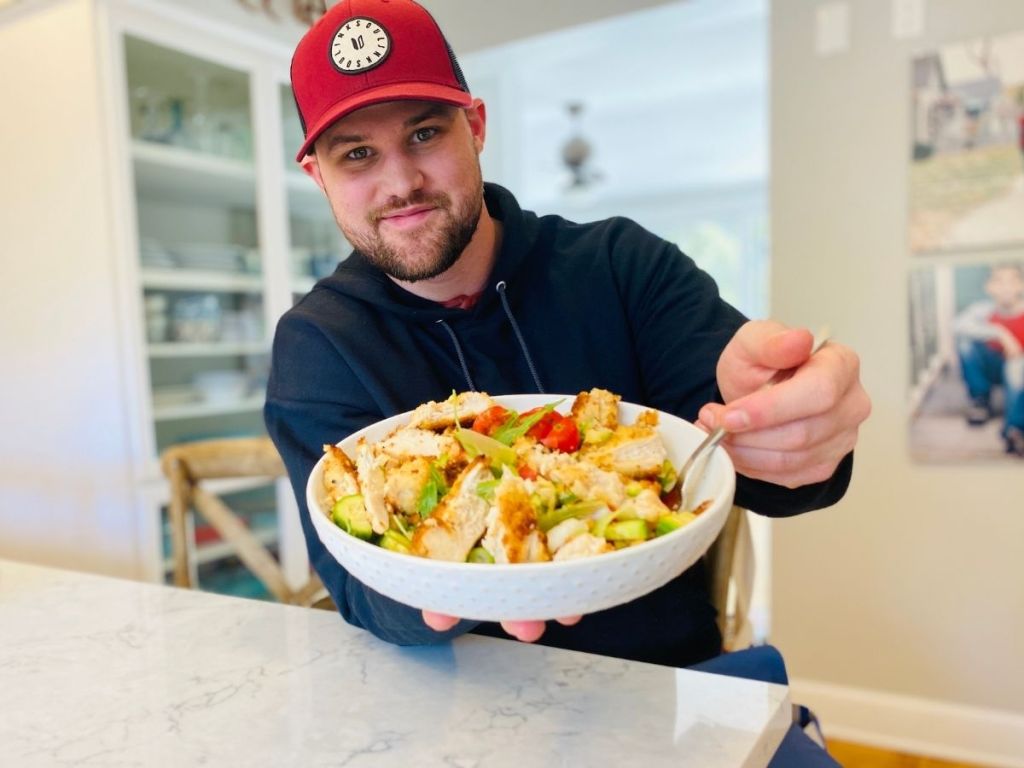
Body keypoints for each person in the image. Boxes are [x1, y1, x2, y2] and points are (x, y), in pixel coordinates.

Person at [267, 2, 869, 762]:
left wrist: (796, 432)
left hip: (671, 698)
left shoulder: (622, 267)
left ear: (475, 126)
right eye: (357, 155)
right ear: (317, 174)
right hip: (451, 724)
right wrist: (452, 585)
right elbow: (355, 585)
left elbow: (751, 463)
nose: (402, 181)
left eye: (425, 132)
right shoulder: (317, 342)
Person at [952, 263, 1024, 456]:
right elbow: (958, 325)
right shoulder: (982, 310)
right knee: (965, 342)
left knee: (1018, 366)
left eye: (1012, 281)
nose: (1006, 287)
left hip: (1019, 372)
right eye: (999, 281)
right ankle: (980, 401)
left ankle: (1015, 429)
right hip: (991, 367)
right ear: (989, 287)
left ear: (1021, 286)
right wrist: (1000, 333)